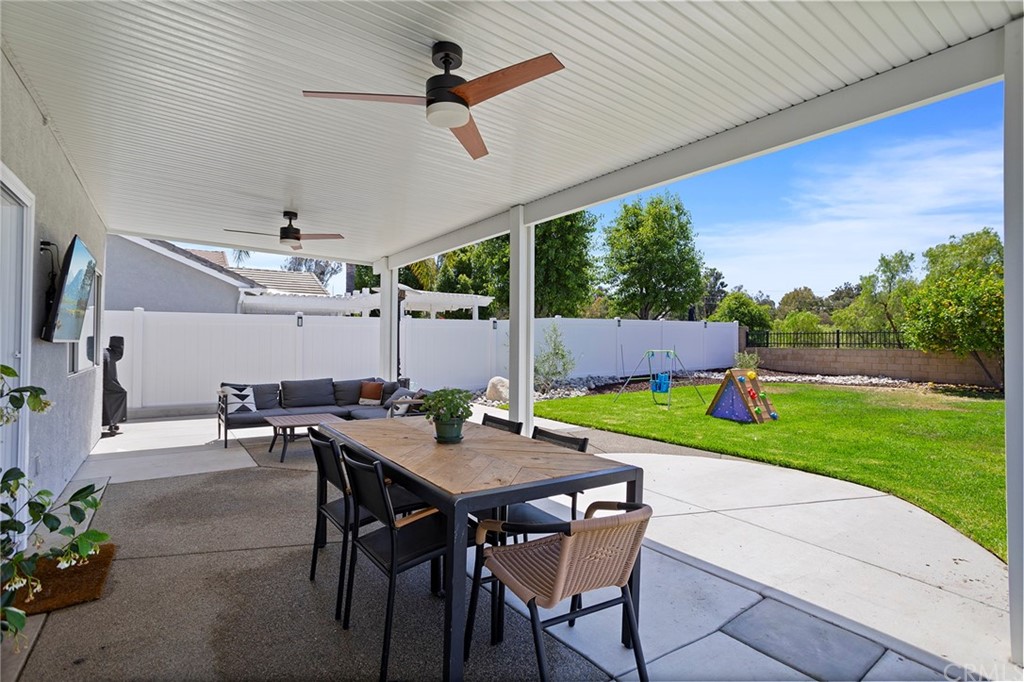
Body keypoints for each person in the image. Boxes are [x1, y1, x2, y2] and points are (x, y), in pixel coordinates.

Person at [102, 336, 127, 433]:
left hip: (106, 384)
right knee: (120, 394)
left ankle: (112, 422)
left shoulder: (106, 353)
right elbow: (110, 377)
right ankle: (113, 422)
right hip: (109, 385)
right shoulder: (110, 355)